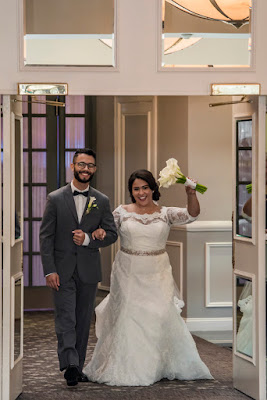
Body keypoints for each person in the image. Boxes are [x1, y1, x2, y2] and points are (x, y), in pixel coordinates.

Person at [83, 169, 213, 386]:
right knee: (130, 316)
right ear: (131, 192)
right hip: (128, 272)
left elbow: (192, 215)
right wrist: (98, 233)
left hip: (158, 271)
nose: (141, 193)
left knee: (158, 316)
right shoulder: (121, 212)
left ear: (153, 188)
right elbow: (106, 231)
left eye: (145, 187)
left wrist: (191, 194)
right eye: (136, 189)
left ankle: (157, 364)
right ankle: (130, 366)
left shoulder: (165, 213)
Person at [39, 148, 118, 387]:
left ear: (94, 169)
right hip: (61, 271)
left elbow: (111, 234)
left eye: (91, 165)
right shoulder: (55, 198)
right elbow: (46, 237)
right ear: (72, 167)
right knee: (66, 318)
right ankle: (70, 364)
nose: (86, 169)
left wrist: (90, 239)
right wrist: (49, 269)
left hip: (88, 269)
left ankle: (78, 366)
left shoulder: (101, 201)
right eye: (81, 164)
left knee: (83, 320)